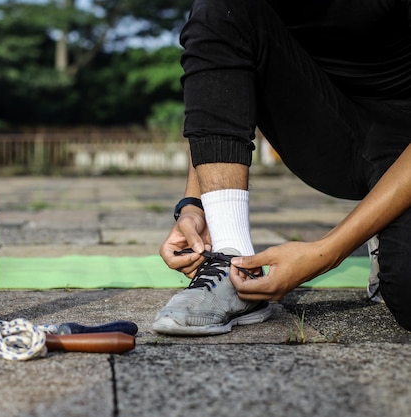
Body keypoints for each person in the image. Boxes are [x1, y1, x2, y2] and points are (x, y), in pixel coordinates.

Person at [153, 0, 411, 335]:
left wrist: (325, 253)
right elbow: (220, 75)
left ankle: (388, 220)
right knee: (221, 7)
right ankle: (231, 259)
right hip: (330, 127)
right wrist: (197, 204)